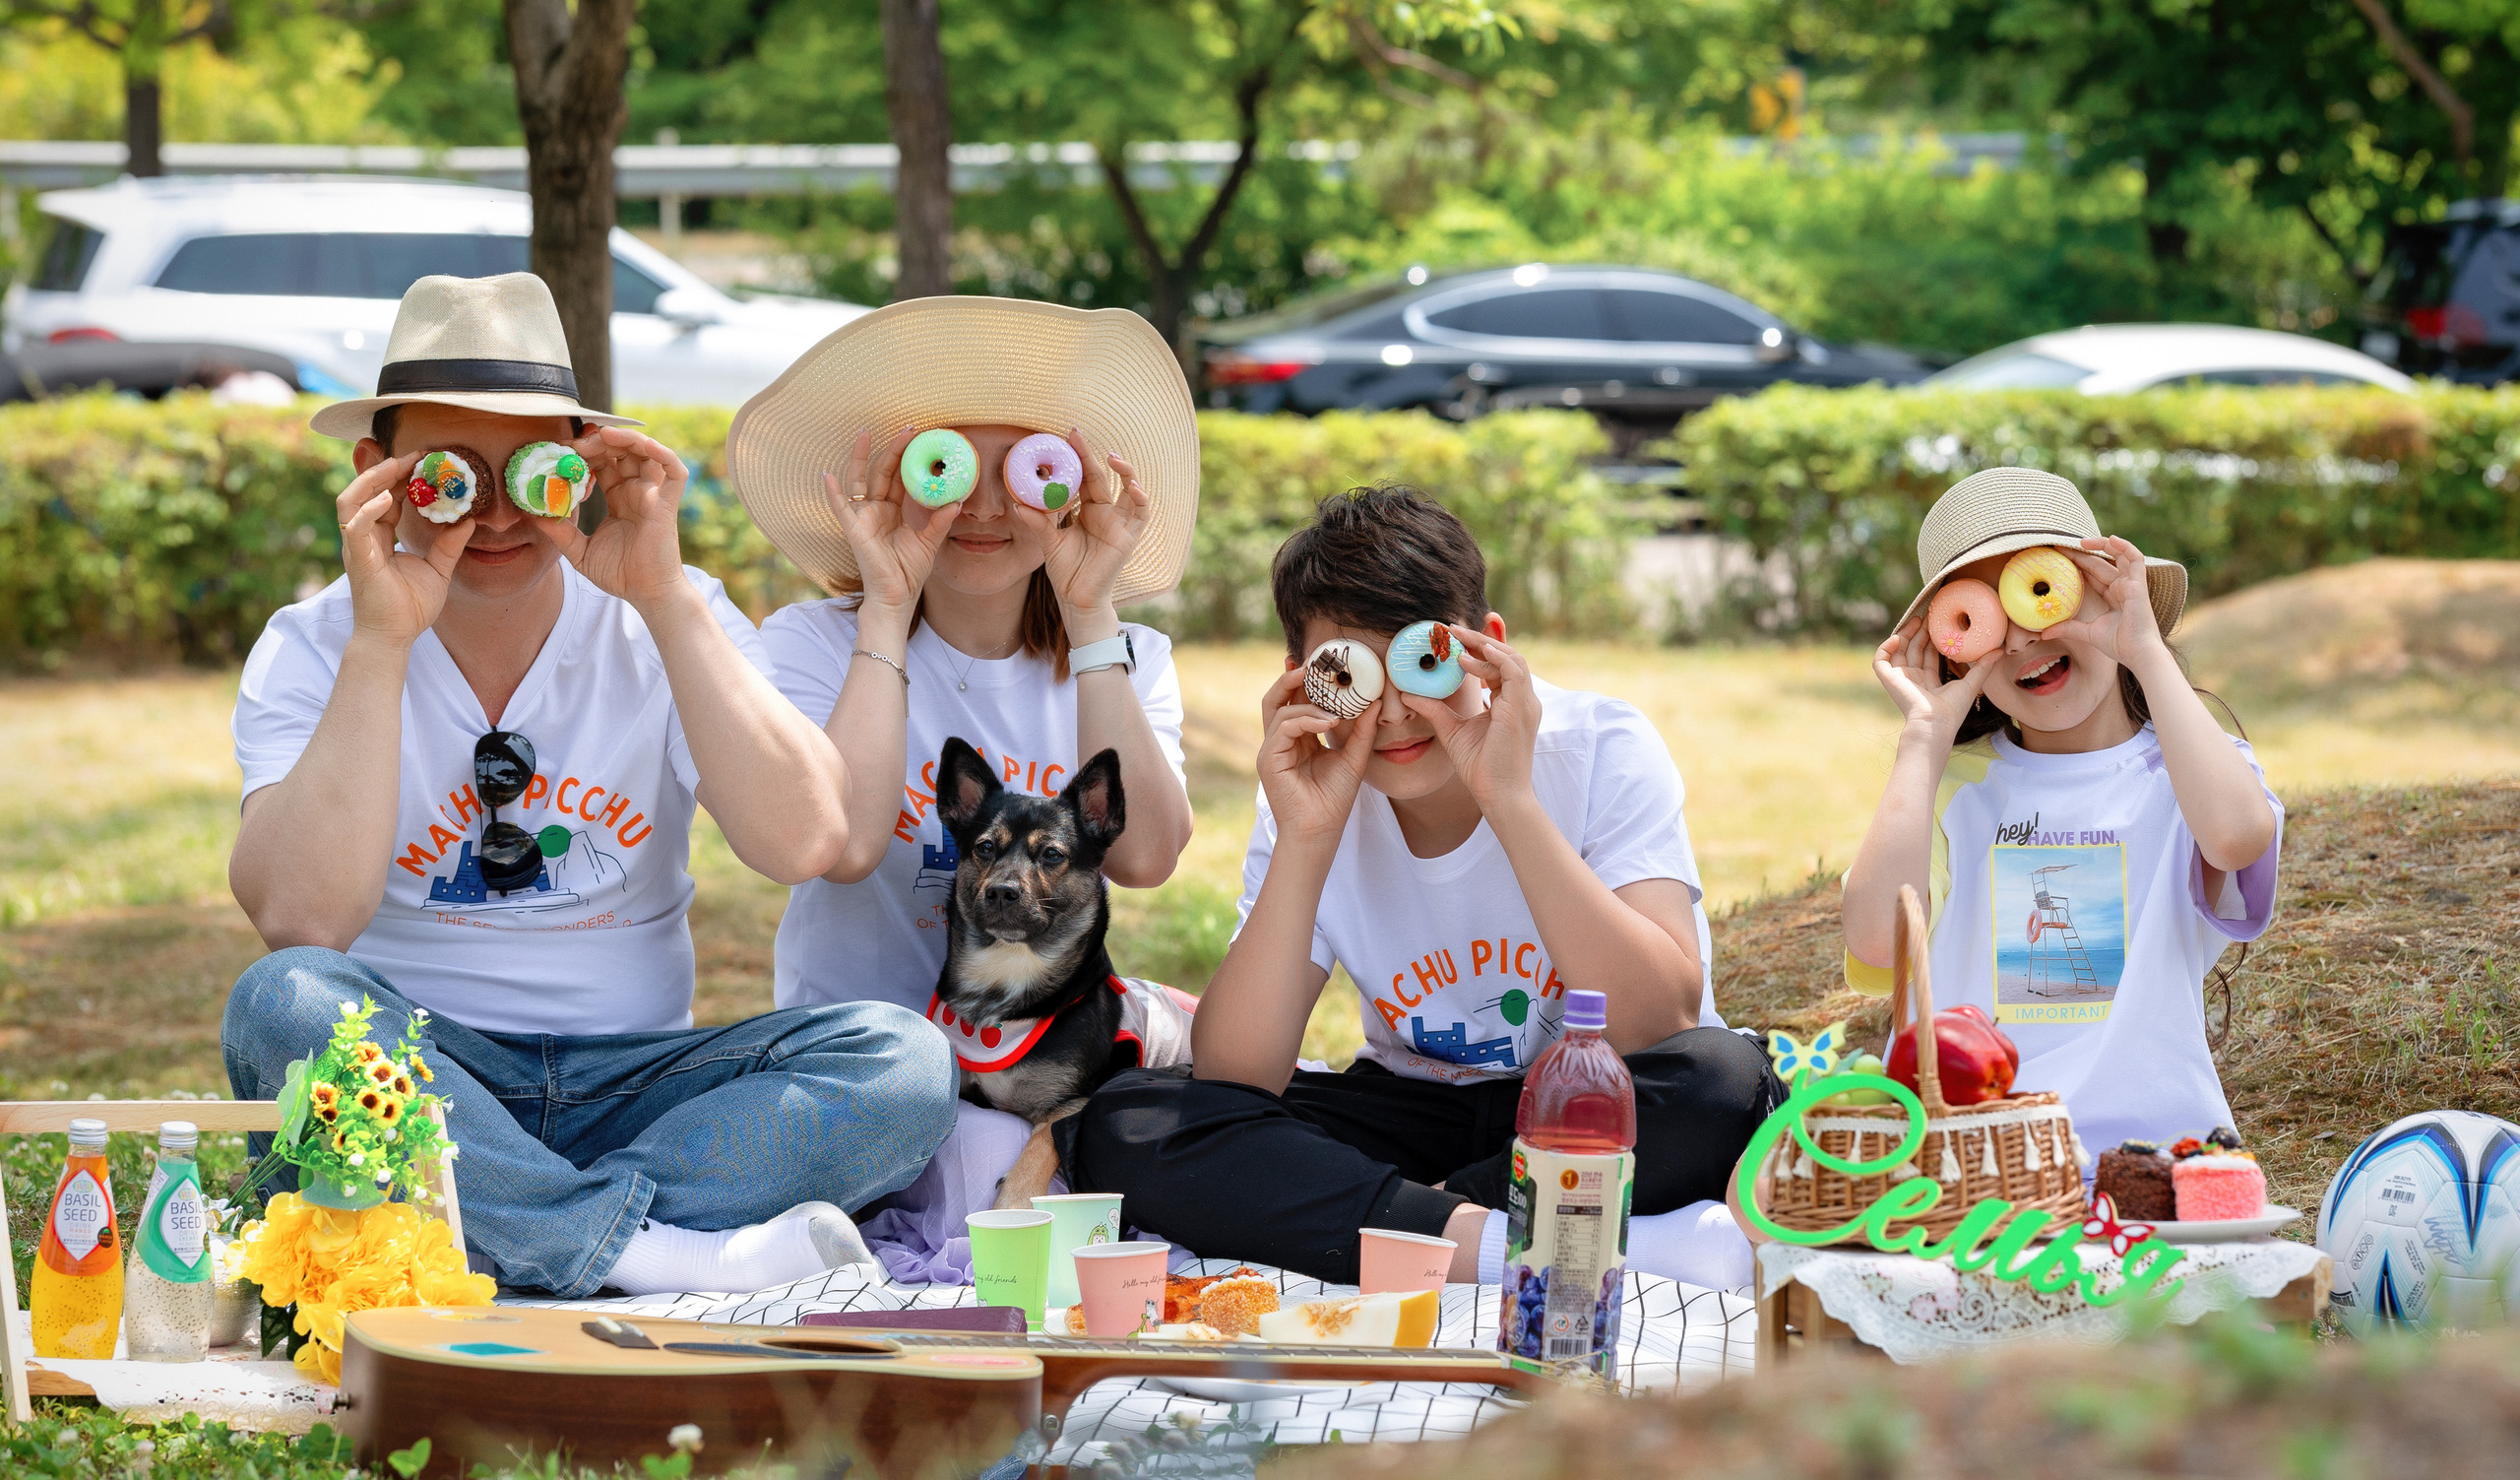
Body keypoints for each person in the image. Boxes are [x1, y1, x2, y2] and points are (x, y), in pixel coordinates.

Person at [220, 273, 958, 1300]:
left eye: (529, 470)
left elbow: (807, 842)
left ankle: (495, 1226)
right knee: (282, 1005)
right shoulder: (317, 645)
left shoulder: (665, 611)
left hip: (641, 1084)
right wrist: (385, 639)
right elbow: (303, 922)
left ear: (579, 466)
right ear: (374, 473)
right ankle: (650, 1252)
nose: (491, 513)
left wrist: (659, 591)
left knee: (903, 1063)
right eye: (448, 475)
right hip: (420, 1080)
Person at [1058, 485, 1781, 1286]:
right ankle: (1512, 1245)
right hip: (1417, 1106)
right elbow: (1237, 1073)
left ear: (1489, 644)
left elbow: (1658, 1022)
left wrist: (1507, 797)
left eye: (1424, 662)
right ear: (1301, 679)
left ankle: (1405, 1224)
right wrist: (1306, 837)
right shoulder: (1311, 792)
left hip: (1597, 1102)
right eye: (1351, 676)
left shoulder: (1598, 746)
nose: (1395, 712)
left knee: (1722, 1084)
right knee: (1130, 1121)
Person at [726, 295, 1197, 1016]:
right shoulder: (811, 643)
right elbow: (845, 849)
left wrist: (1090, 614)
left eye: (1022, 474)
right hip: (859, 1047)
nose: (980, 506)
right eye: (941, 467)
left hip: (1033, 1055)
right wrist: (886, 608)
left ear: (1073, 493)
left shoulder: (1128, 657)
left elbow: (1143, 860)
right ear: (890, 480)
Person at [1838, 466, 2282, 1156]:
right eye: (1978, 616)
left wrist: (2145, 650)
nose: (2018, 640)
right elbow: (1875, 940)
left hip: (2157, 1163)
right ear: (1954, 656)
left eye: (2041, 592)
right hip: (1975, 1172)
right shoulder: (1949, 786)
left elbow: (2235, 836)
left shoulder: (2187, 771)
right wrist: (1922, 741)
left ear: (2102, 593)